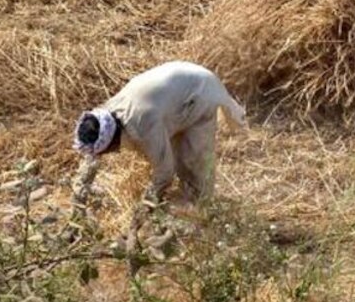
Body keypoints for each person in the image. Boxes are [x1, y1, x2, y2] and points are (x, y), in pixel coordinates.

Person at [72, 61, 247, 206]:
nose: (106, 155)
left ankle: (203, 210)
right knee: (171, 152)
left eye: (105, 151)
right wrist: (81, 190)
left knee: (192, 163)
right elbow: (92, 153)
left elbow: (165, 171)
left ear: (111, 143)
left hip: (199, 92)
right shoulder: (105, 114)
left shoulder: (142, 126)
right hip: (180, 81)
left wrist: (147, 203)